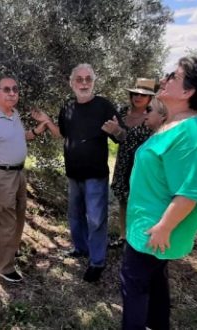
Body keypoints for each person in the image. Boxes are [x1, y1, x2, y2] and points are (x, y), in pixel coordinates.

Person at [120, 56, 197, 329]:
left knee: (133, 283)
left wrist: (164, 227)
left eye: (172, 76)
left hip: (155, 229)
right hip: (148, 223)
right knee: (154, 280)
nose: (164, 79)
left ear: (188, 92)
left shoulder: (192, 133)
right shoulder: (174, 123)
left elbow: (190, 191)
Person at [33, 63, 123, 283]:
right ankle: (81, 249)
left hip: (95, 175)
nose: (84, 83)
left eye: (88, 79)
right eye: (79, 79)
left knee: (96, 219)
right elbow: (61, 134)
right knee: (74, 216)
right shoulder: (67, 108)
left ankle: (97, 262)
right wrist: (46, 121)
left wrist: (117, 131)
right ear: (71, 82)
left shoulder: (104, 106)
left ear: (94, 81)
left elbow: (120, 136)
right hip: (73, 174)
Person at [0, 76, 46, 283]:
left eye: (15, 89)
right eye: (6, 89)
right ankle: (4, 268)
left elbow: (19, 137)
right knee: (4, 220)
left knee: (19, 215)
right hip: (0, 175)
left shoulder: (14, 114)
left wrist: (35, 131)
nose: (12, 93)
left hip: (18, 173)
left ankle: (10, 252)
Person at [107, 78, 158, 249]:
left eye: (143, 95)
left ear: (150, 98)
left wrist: (119, 132)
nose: (138, 97)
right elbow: (116, 139)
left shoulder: (153, 116)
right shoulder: (122, 112)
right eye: (135, 93)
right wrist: (114, 132)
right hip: (123, 161)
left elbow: (145, 141)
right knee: (123, 198)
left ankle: (139, 238)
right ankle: (123, 236)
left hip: (142, 165)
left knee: (139, 200)